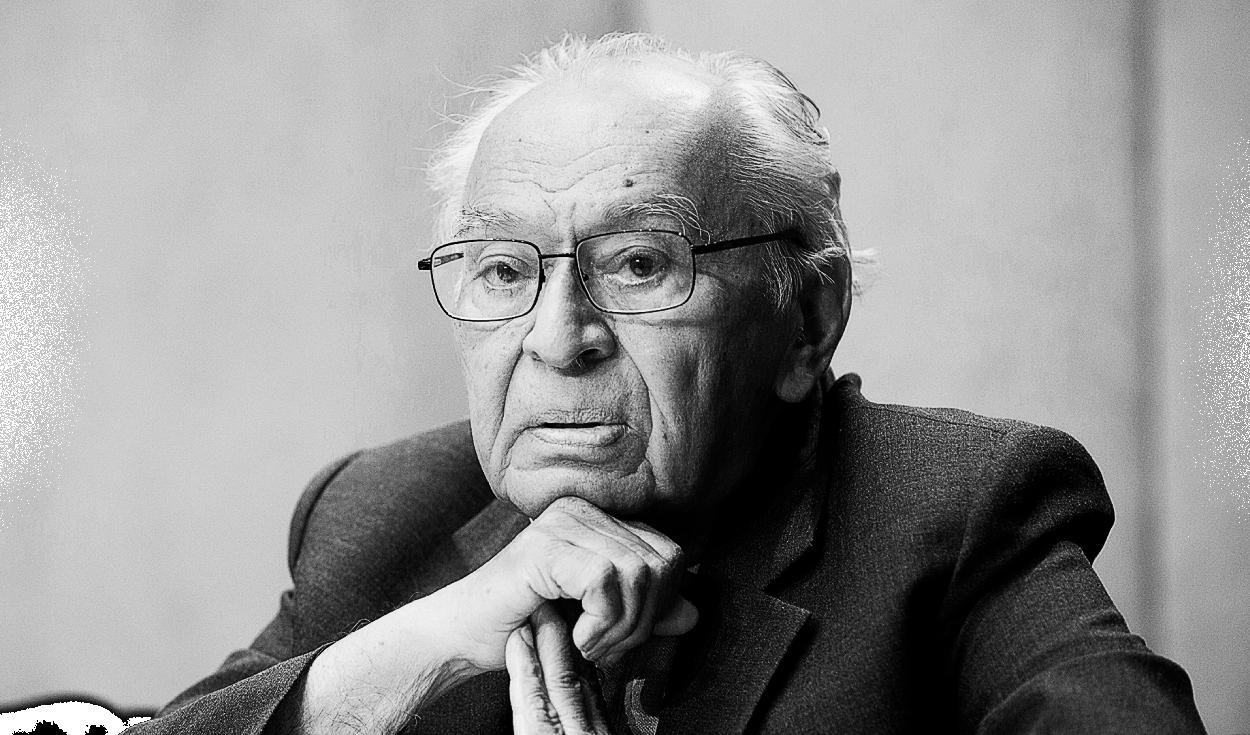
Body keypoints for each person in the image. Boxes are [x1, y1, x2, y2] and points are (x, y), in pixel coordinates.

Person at [131, 33, 1207, 734]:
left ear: (806, 320)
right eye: (502, 271)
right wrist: (417, 648)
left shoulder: (955, 513)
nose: (559, 339)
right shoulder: (381, 512)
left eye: (639, 264)